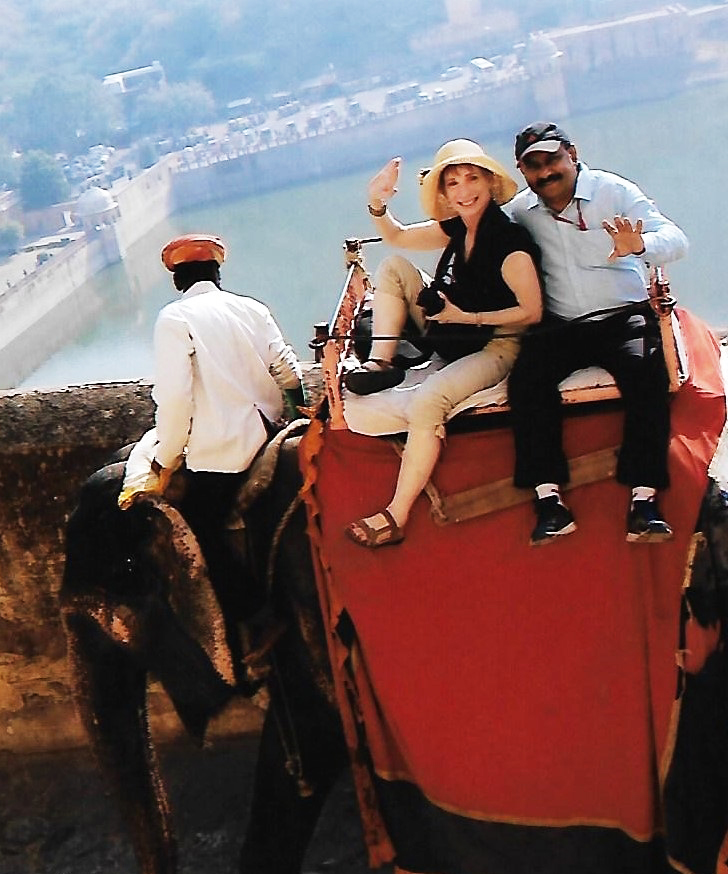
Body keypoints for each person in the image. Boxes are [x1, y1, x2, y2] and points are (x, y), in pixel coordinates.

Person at [345, 139, 544, 548]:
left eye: (472, 178)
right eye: (453, 183)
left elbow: (531, 311)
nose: (464, 190)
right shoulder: (458, 227)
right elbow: (397, 237)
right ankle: (381, 363)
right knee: (394, 268)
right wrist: (376, 204)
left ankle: (396, 514)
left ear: (489, 182)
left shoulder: (509, 242)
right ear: (444, 193)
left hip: (495, 343)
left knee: (427, 403)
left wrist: (465, 317)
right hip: (451, 328)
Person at [505, 122, 689, 545]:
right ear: (522, 171)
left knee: (646, 375)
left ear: (572, 153)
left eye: (552, 160)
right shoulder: (521, 212)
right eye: (533, 166)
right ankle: (548, 501)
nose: (545, 172)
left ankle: (643, 500)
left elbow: (676, 239)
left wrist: (639, 248)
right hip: (562, 324)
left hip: (620, 316)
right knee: (527, 383)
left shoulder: (613, 192)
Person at [145, 233, 306, 605]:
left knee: (198, 529)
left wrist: (165, 458)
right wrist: (299, 415)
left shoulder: (174, 318)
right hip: (269, 435)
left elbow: (173, 399)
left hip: (224, 454)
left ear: (177, 280)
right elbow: (290, 373)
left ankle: (253, 614)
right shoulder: (253, 308)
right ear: (217, 273)